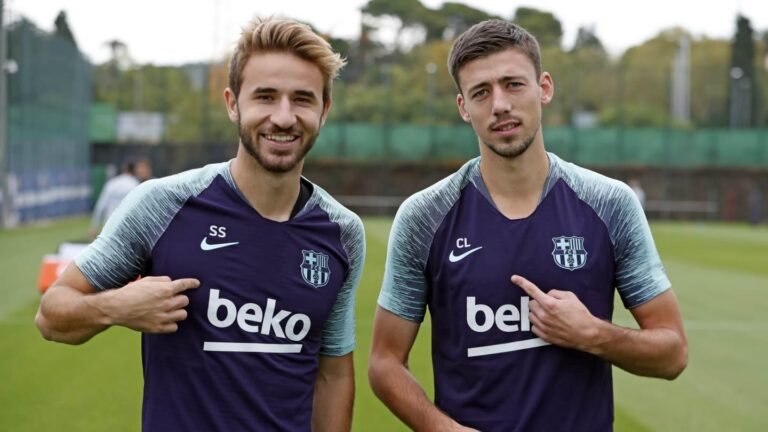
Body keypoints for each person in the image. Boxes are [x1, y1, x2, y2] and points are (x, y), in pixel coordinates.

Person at [36, 18, 364, 432]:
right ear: (233, 103)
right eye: (265, 96)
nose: (283, 117)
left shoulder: (342, 232)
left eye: (302, 99)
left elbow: (332, 372)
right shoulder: (162, 204)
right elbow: (51, 315)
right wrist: (114, 306)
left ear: (324, 110)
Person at [368, 19, 687, 432]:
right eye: (481, 92)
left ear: (544, 87)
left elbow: (673, 352)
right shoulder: (424, 216)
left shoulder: (610, 203)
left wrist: (591, 332)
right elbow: (383, 361)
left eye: (513, 84)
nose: (499, 104)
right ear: (464, 107)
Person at [89, 159, 151, 239]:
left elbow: (101, 205)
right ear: (134, 171)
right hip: (127, 226)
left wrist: (94, 226)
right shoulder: (135, 185)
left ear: (124, 169)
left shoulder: (112, 183)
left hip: (109, 225)